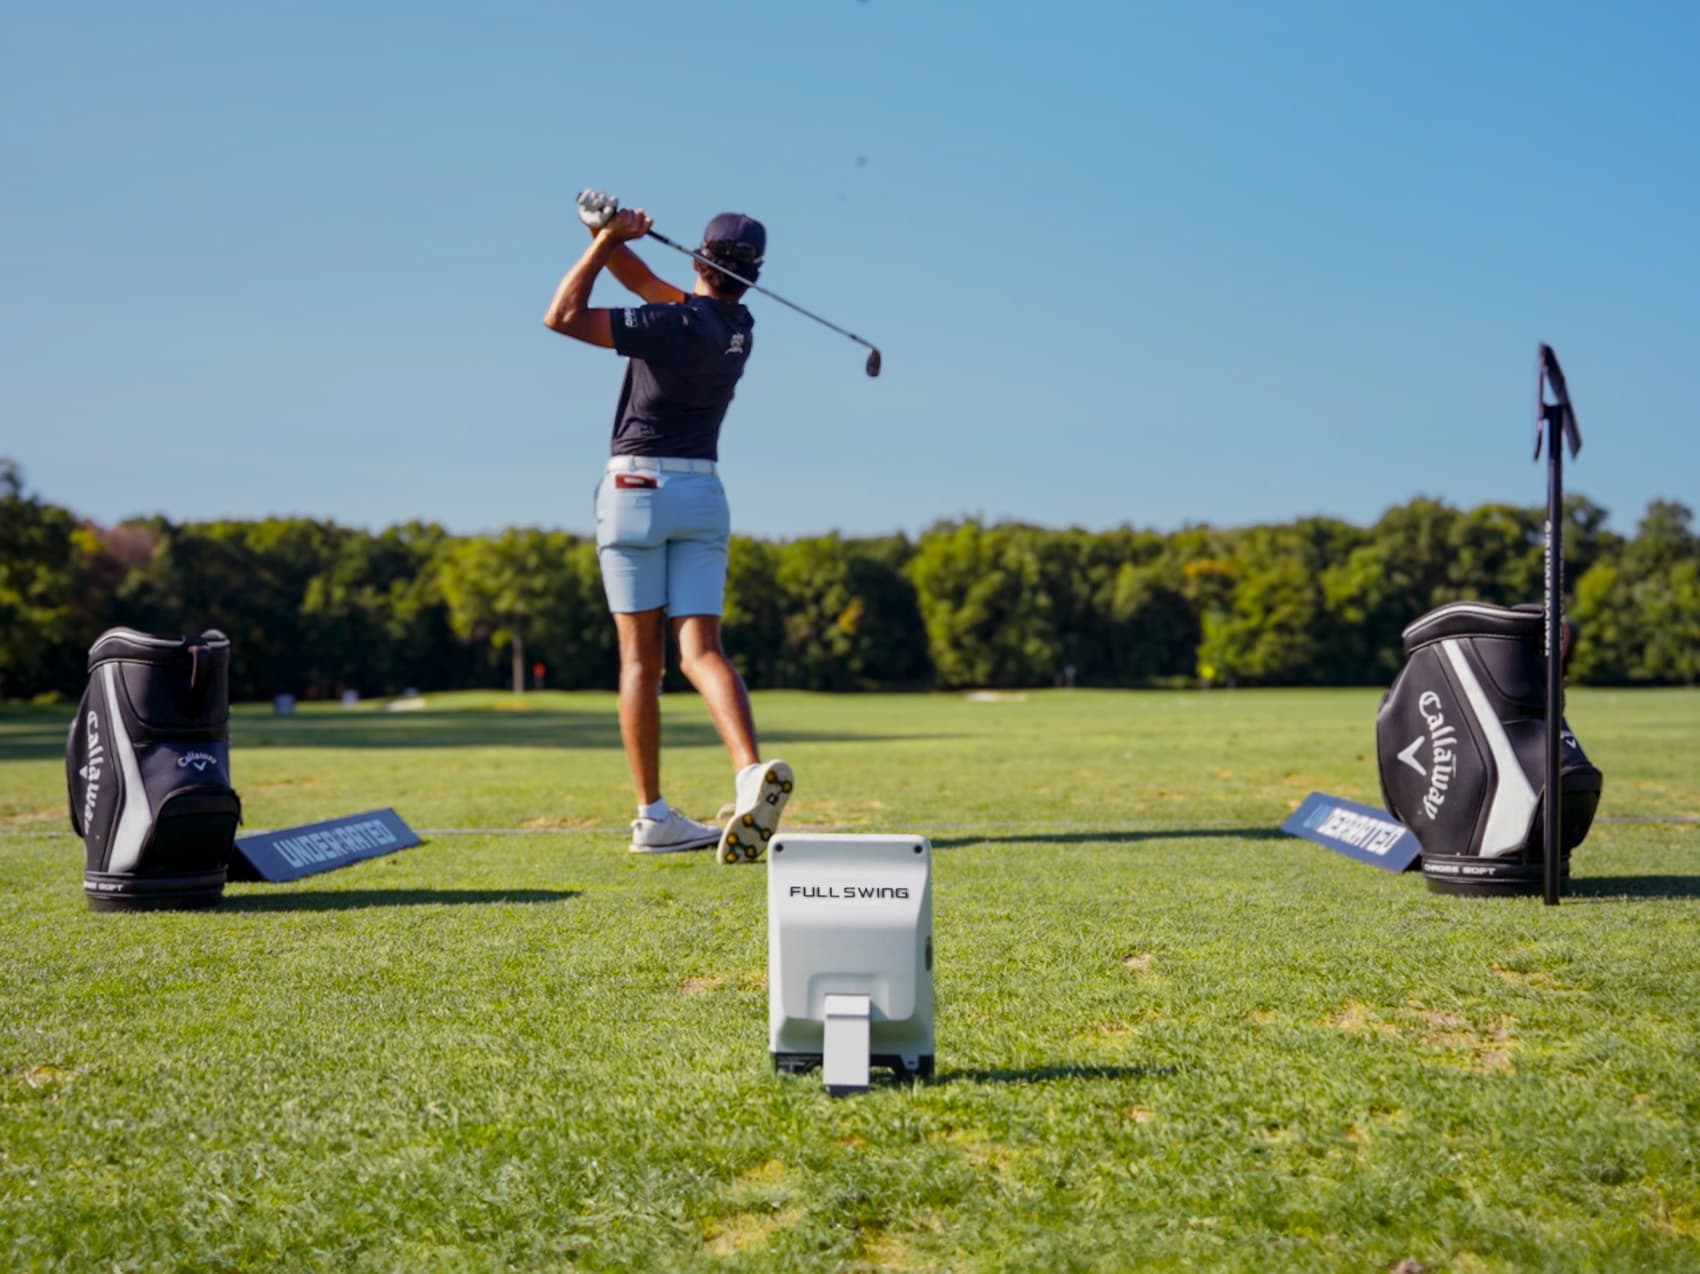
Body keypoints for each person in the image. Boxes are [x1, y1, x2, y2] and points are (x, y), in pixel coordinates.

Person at [542, 198, 793, 863]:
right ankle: (749, 773)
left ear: (699, 258)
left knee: (639, 663)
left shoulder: (670, 322)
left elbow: (561, 316)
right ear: (753, 276)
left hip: (634, 493)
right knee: (701, 652)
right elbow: (644, 281)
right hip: (702, 494)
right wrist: (604, 232)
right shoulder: (737, 326)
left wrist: (603, 244)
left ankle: (652, 816)